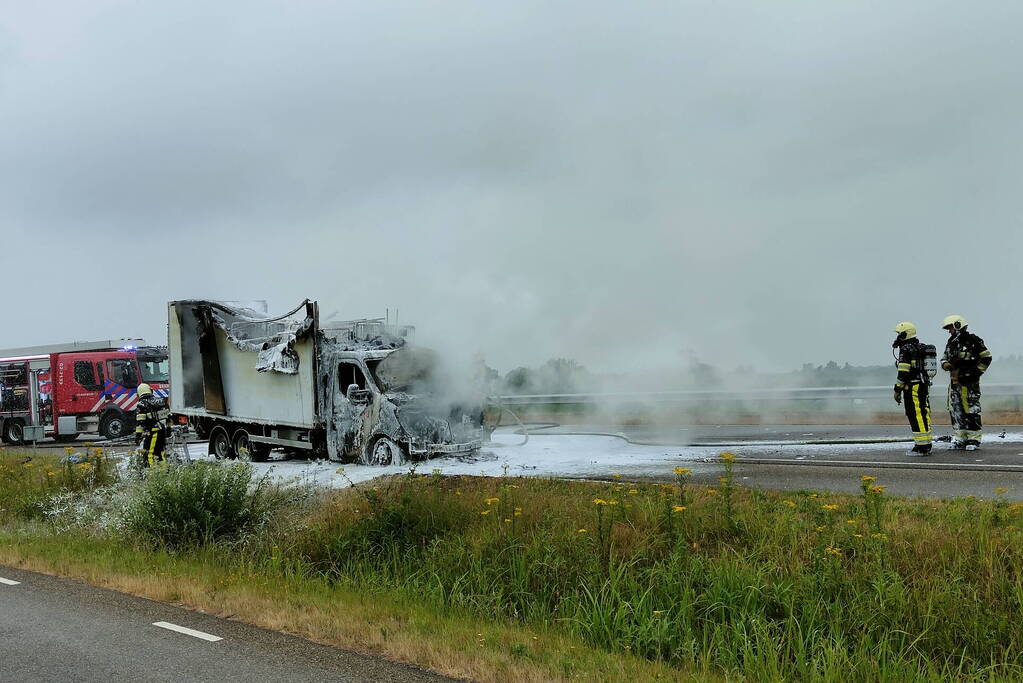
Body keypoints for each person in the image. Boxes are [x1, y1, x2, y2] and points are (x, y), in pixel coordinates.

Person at [940, 315, 992, 451]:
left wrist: (975, 373)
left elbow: (986, 357)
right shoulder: (951, 342)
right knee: (956, 410)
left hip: (969, 385)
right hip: (955, 383)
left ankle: (973, 439)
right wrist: (945, 364)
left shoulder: (973, 340)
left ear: (958, 325)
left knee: (971, 410)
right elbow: (944, 358)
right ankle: (960, 438)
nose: (949, 331)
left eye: (950, 328)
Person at [892, 322, 932, 455]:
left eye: (899, 334)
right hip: (923, 385)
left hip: (913, 387)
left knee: (915, 414)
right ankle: (926, 442)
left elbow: (903, 372)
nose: (897, 337)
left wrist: (897, 389)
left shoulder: (906, 349)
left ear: (905, 334)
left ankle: (922, 447)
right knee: (923, 412)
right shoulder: (920, 347)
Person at [134, 383, 171, 466]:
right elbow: (168, 418)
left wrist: (138, 436)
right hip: (162, 431)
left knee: (149, 453)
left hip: (152, 432)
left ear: (139, 393)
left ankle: (152, 471)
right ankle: (163, 470)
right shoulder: (159, 401)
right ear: (150, 391)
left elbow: (140, 423)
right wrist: (168, 430)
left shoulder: (141, 404)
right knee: (160, 453)